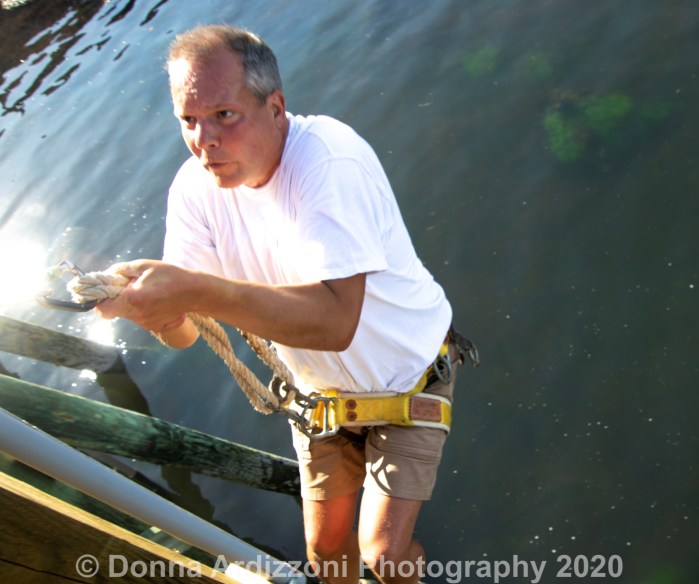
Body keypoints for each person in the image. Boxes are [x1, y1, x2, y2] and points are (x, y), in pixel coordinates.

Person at [96, 24, 466, 584]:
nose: (203, 140)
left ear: (275, 107)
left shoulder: (327, 161)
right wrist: (150, 310)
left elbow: (336, 321)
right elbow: (187, 333)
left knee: (384, 556)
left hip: (410, 377)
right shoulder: (194, 191)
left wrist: (194, 290)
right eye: (187, 120)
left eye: (224, 115)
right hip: (321, 399)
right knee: (324, 551)